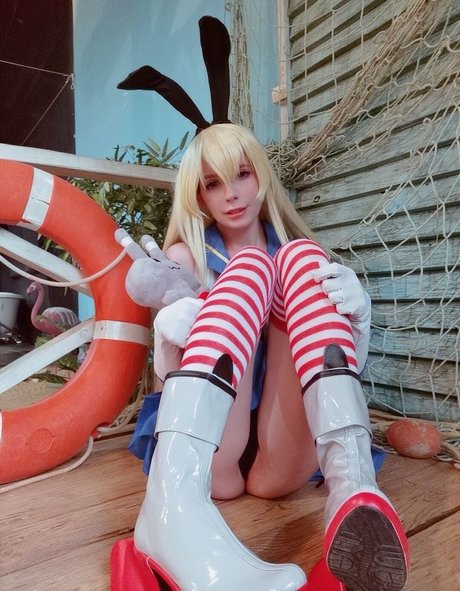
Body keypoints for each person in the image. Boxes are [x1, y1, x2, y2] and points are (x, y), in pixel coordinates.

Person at [111, 122, 409, 591]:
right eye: (213, 183)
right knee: (250, 269)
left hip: (281, 447)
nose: (231, 194)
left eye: (242, 174)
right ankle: (172, 507)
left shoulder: (297, 255)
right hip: (213, 451)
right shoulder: (186, 259)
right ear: (198, 195)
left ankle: (353, 485)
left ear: (262, 176)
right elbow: (166, 388)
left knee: (301, 261)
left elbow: (320, 361)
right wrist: (167, 345)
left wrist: (359, 324)